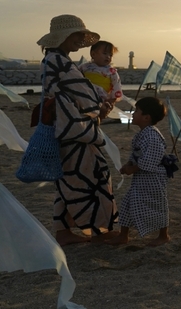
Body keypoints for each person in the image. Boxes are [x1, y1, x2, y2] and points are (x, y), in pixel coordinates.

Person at [36, 14, 117, 246]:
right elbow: (82, 94)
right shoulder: (59, 61)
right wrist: (99, 108)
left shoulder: (54, 59)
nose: (82, 38)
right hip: (74, 129)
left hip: (64, 127)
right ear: (63, 37)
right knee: (93, 176)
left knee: (68, 180)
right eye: (77, 34)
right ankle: (100, 229)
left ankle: (63, 232)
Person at [109, 97, 170, 247]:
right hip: (141, 178)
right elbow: (136, 154)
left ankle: (164, 235)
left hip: (153, 178)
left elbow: (151, 159)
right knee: (128, 204)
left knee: (157, 204)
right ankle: (123, 235)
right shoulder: (142, 134)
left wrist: (133, 168)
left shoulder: (152, 135)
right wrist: (128, 164)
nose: (133, 113)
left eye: (137, 111)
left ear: (146, 117)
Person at [79, 40, 123, 105]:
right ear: (93, 54)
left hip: (102, 99)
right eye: (105, 53)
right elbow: (75, 77)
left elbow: (117, 85)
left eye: (110, 55)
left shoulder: (111, 71)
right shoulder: (84, 67)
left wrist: (113, 99)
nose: (108, 57)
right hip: (84, 96)